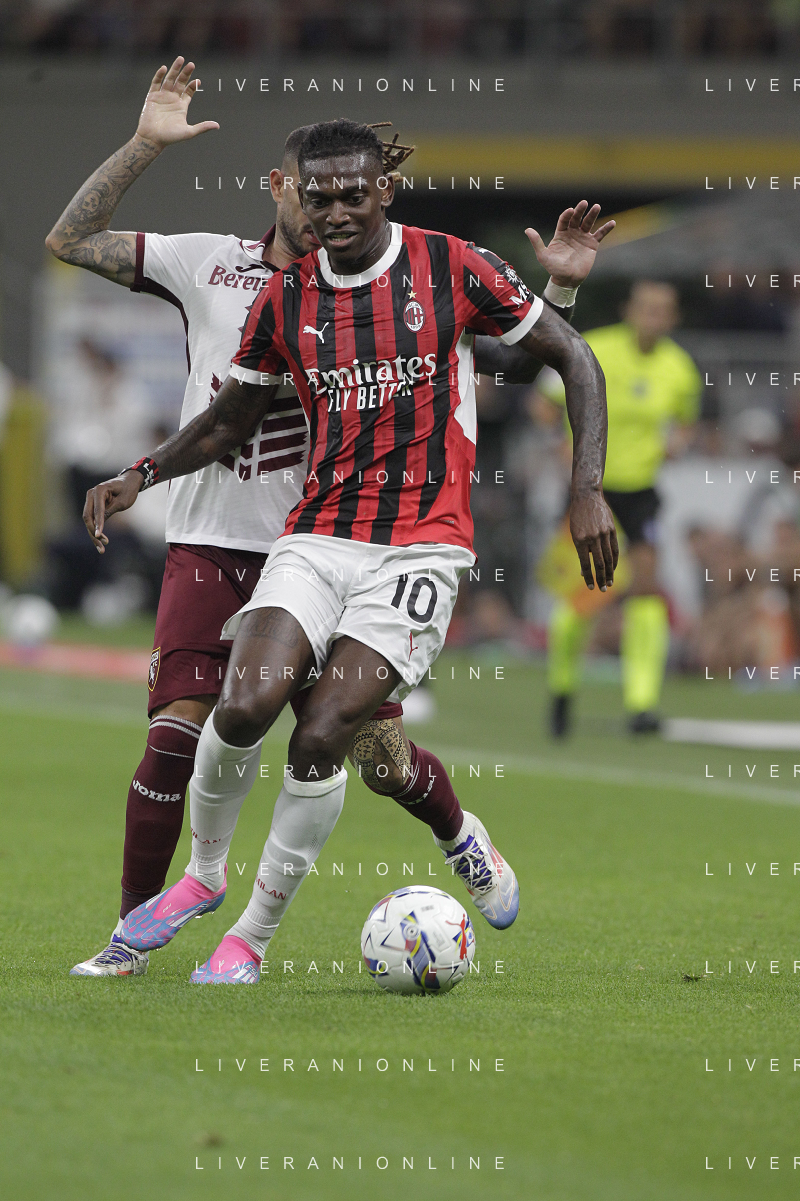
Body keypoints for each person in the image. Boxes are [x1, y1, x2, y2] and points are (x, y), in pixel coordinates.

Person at [50, 63, 612, 977]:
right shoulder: (232, 274)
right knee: (196, 726)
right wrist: (141, 473)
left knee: (367, 751)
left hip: (395, 543)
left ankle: (456, 835)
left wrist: (587, 472)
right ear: (285, 188)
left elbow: (532, 358)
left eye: (353, 194)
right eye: (319, 196)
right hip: (260, 542)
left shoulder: (445, 266)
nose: (333, 212)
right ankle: (156, 919)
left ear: (384, 189)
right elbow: (224, 412)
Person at [535, 280, 701, 736]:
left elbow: (686, 421)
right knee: (581, 596)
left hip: (640, 492)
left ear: (673, 318)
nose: (653, 317)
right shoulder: (595, 347)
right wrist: (560, 446)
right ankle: (562, 689)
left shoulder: (679, 368)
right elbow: (544, 403)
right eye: (646, 307)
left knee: (646, 589)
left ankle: (642, 704)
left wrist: (678, 443)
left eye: (662, 310)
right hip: (592, 490)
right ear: (630, 309)